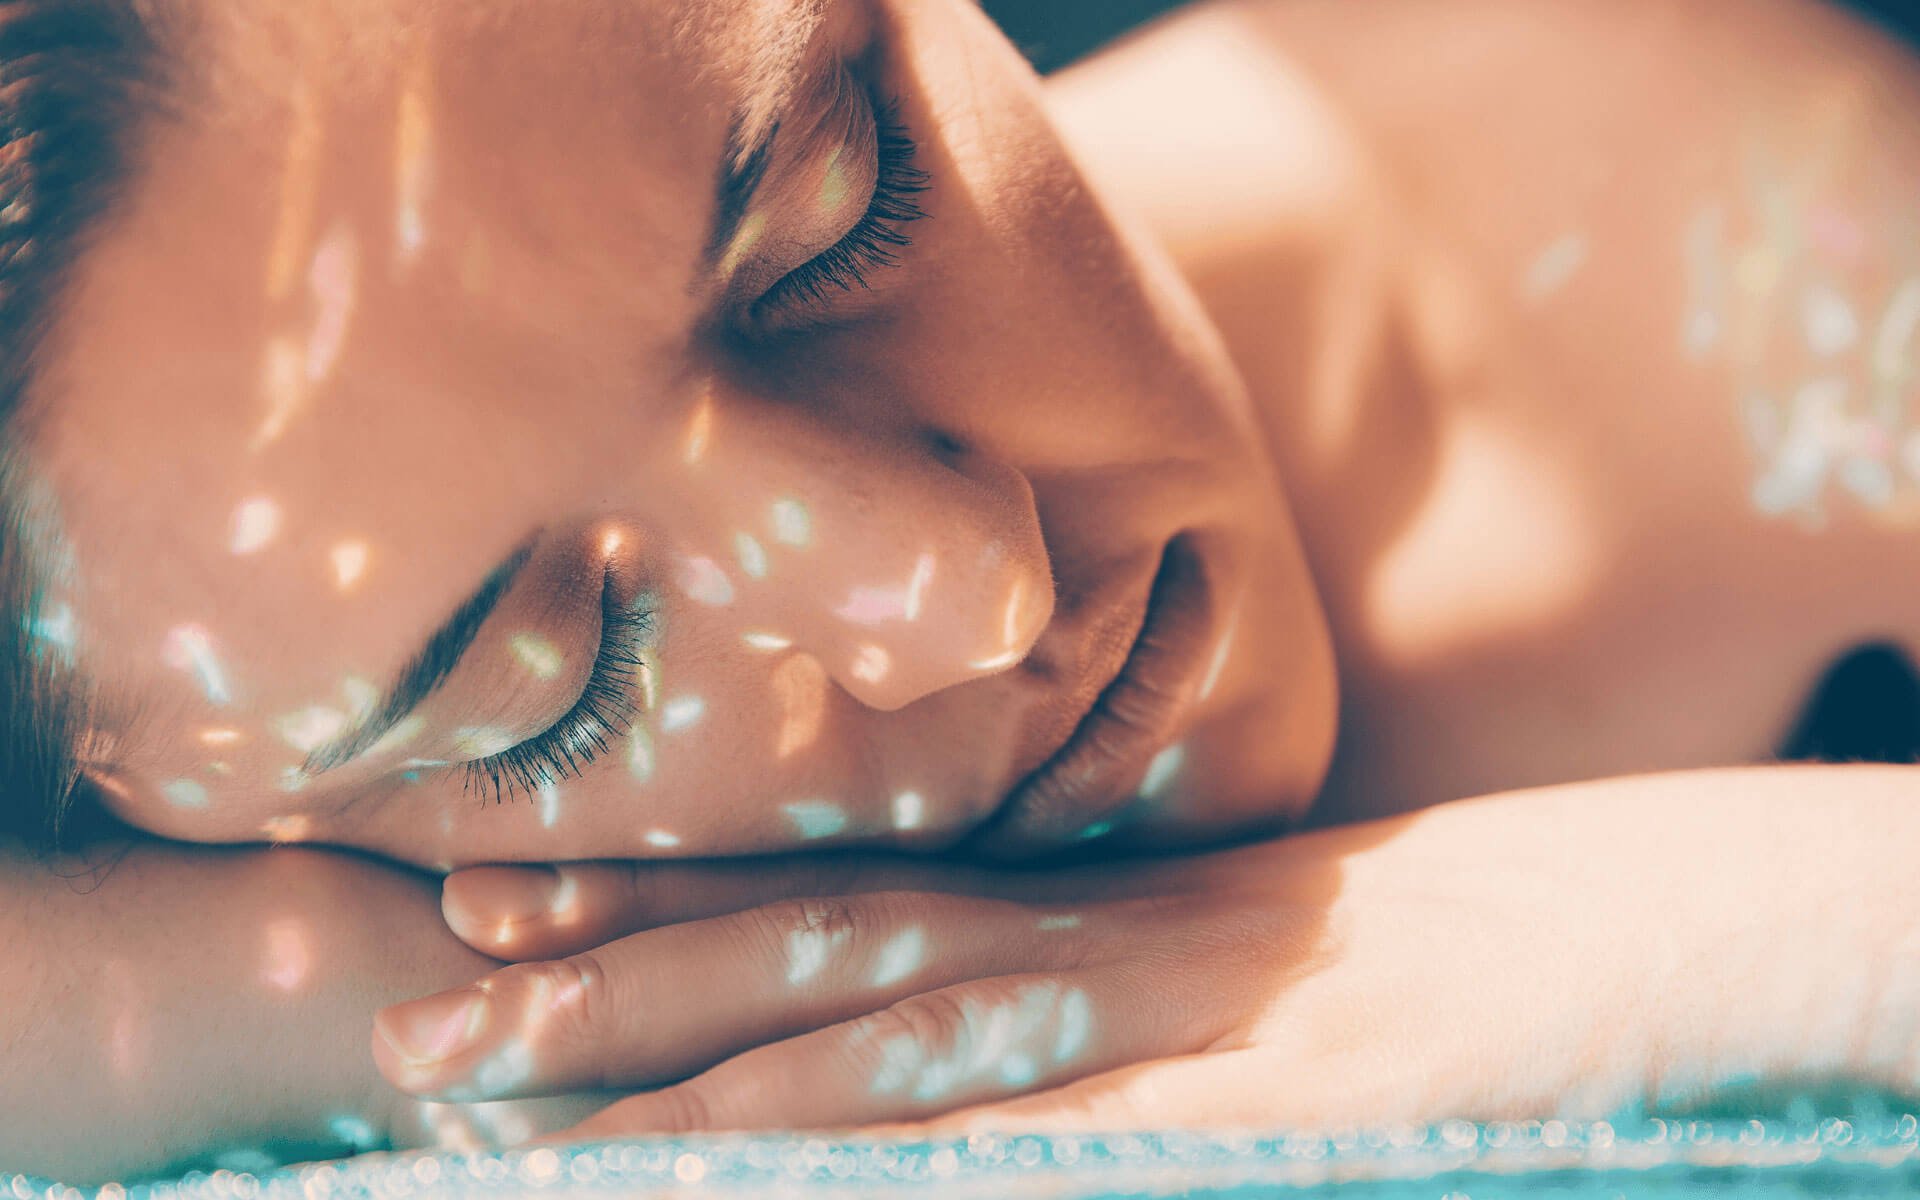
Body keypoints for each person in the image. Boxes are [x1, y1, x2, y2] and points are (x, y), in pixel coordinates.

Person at [2, 0, 1917, 1181]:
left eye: (848, 213)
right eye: (554, 684)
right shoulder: (200, 859)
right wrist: (308, 997)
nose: (975, 592)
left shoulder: (1795, 268)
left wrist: (1679, 931)